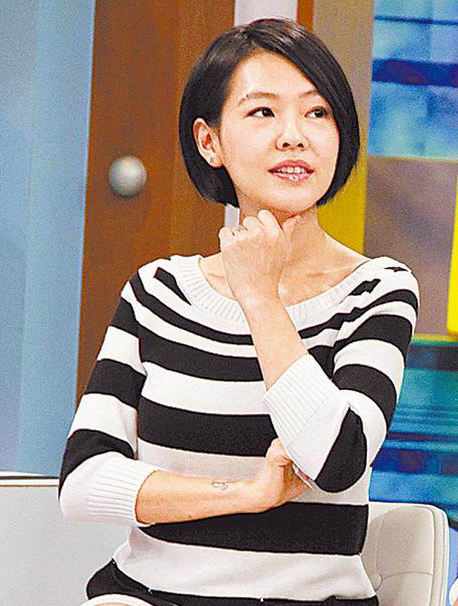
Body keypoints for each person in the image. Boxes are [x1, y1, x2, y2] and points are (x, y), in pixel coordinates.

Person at [59, 17, 419, 606]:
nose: (294, 136)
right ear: (210, 142)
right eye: (263, 112)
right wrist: (245, 494)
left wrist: (259, 297)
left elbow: (337, 461)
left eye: (318, 112)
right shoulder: (157, 292)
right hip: (145, 595)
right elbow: (84, 481)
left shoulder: (376, 290)